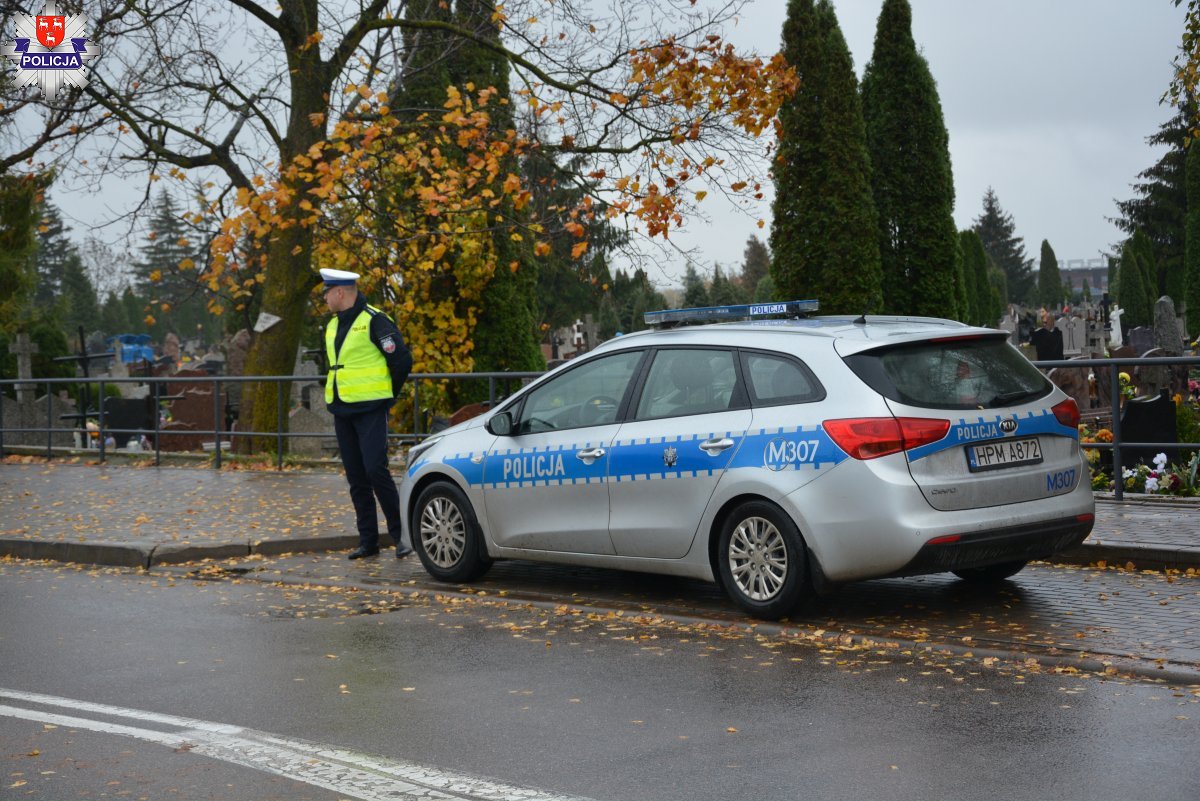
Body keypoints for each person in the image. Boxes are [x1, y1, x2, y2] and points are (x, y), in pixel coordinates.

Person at [320, 268, 415, 560]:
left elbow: (401, 361)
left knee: (376, 470)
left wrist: (387, 397)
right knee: (356, 477)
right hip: (342, 409)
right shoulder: (332, 325)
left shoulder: (375, 320)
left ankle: (403, 537)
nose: (324, 298)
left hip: (371, 409)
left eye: (326, 292)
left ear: (339, 292)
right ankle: (368, 541)